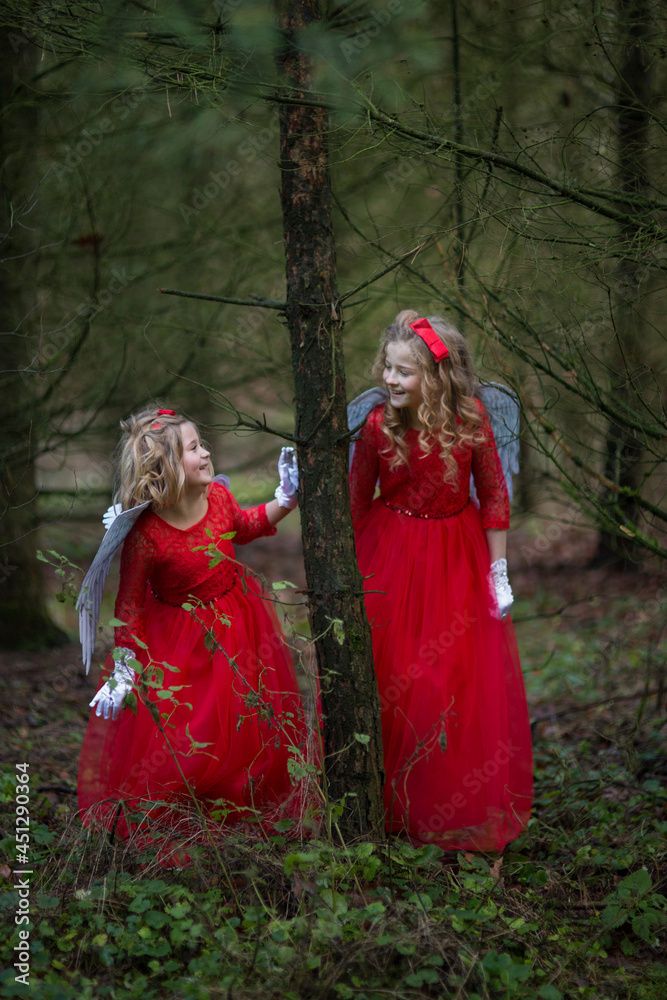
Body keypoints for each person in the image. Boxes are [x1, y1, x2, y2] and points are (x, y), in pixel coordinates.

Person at [77, 406, 306, 848]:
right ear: (165, 467)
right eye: (194, 447)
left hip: (238, 626)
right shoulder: (146, 534)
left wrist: (286, 499)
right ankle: (183, 821)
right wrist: (124, 665)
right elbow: (128, 604)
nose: (206, 452)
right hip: (178, 645)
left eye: (202, 443)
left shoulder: (218, 500)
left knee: (243, 721)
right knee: (189, 732)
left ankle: (242, 814)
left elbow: (246, 525)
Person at [349, 311, 533, 852]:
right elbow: (359, 503)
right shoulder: (377, 424)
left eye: (403, 371)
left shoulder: (472, 417)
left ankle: (446, 799)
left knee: (451, 680)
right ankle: (392, 803)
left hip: (458, 555)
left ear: (436, 376)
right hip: (393, 556)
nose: (389, 379)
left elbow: (495, 497)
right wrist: (357, 577)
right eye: (387, 367)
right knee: (398, 676)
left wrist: (497, 572)